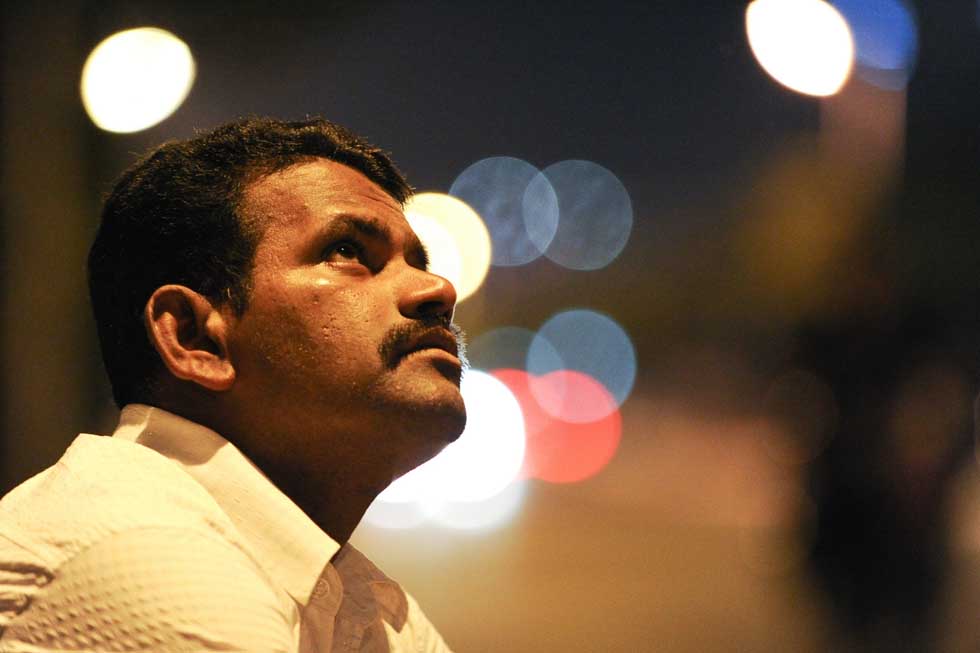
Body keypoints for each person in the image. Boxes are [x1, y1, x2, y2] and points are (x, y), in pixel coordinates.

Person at [0, 117, 467, 652]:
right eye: (347, 251)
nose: (438, 289)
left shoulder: (359, 605)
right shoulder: (143, 555)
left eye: (417, 261)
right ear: (196, 339)